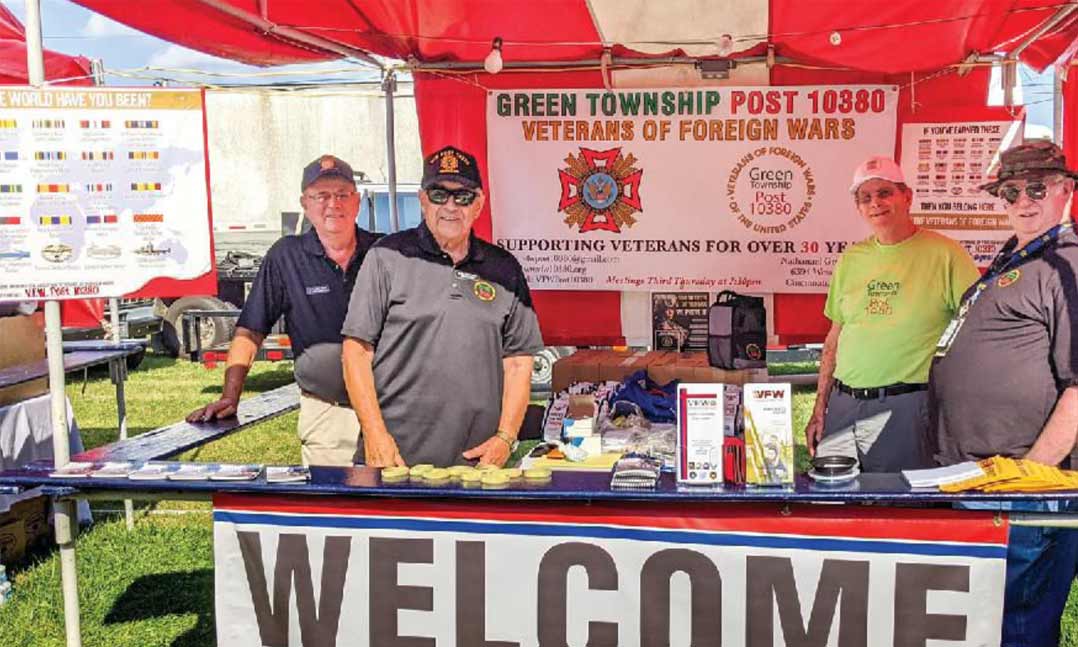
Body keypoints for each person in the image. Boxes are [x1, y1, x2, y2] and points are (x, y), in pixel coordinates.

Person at [929, 140, 1078, 647]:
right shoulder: (1013, 260)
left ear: (1066, 191)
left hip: (1023, 491)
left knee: (1017, 627)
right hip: (980, 482)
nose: (1023, 200)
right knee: (983, 625)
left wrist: (1031, 478)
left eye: (1038, 188)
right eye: (1011, 191)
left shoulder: (1068, 264)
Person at [341, 145, 543, 468]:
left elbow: (519, 362)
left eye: (462, 196)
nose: (450, 206)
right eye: (439, 194)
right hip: (393, 460)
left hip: (478, 467)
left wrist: (505, 439)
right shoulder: (387, 257)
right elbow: (356, 351)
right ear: (422, 200)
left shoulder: (504, 269)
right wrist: (375, 434)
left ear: (479, 204)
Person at [186, 155, 380, 466]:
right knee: (332, 510)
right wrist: (230, 396)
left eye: (343, 194)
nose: (333, 204)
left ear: (356, 201)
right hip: (329, 414)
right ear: (305, 203)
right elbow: (250, 330)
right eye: (322, 196)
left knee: (398, 507)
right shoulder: (286, 256)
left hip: (390, 409)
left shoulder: (384, 253)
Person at [804, 156, 978, 471]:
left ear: (906, 196)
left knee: (898, 506)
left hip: (906, 405)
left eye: (885, 193)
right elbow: (835, 337)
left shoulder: (946, 255)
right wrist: (820, 408)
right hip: (844, 404)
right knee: (837, 500)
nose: (876, 204)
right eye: (865, 197)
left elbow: (977, 332)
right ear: (858, 207)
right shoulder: (851, 259)